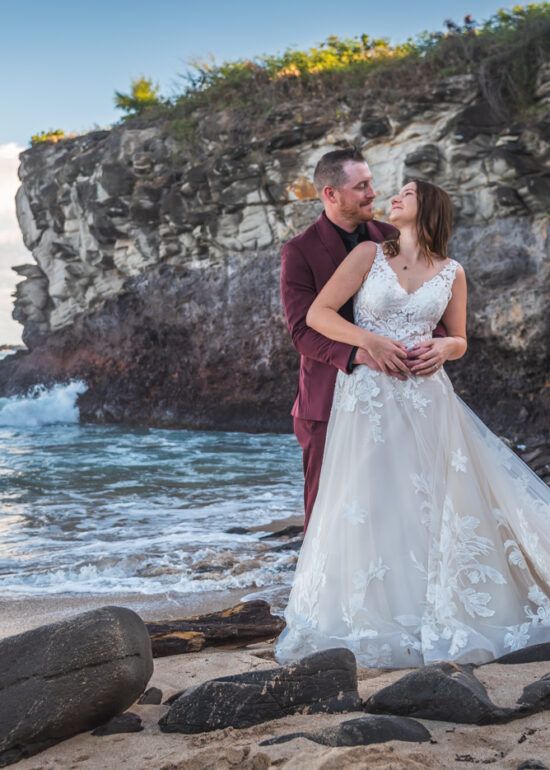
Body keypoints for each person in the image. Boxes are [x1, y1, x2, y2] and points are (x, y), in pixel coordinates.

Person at [275, 179, 550, 669]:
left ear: (431, 208)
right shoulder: (366, 254)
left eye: (407, 192)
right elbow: (317, 314)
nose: (393, 197)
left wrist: (447, 347)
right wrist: (368, 343)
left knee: (435, 499)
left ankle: (443, 608)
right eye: (393, 191)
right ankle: (377, 613)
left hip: (427, 399)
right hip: (369, 398)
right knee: (370, 498)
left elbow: (461, 338)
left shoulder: (453, 272)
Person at [281, 147, 417, 534]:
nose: (373, 192)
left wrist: (439, 342)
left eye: (371, 182)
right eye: (361, 186)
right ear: (330, 194)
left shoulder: (392, 237)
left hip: (395, 394)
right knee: (326, 512)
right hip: (326, 402)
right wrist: (360, 351)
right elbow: (302, 333)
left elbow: (422, 302)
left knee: (396, 502)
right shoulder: (299, 251)